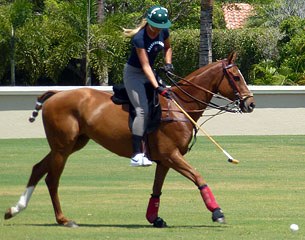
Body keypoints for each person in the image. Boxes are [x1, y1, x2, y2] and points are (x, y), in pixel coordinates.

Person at [123, 5, 174, 167]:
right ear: (150, 23)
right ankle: (137, 154)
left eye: (161, 27)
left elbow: (168, 47)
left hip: (149, 72)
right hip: (134, 74)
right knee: (142, 109)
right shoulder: (139, 38)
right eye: (156, 26)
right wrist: (158, 87)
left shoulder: (163, 32)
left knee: (168, 100)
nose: (159, 30)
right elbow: (144, 66)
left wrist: (168, 63)